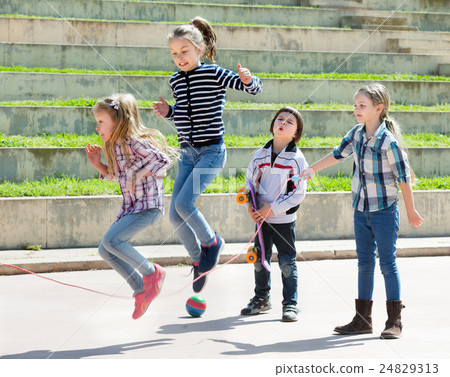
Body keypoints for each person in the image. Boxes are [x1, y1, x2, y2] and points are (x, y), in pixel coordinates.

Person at [299, 83, 423, 338]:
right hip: (361, 209)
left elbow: (404, 179)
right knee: (364, 263)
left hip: (385, 210)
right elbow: (337, 154)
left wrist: (410, 211)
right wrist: (312, 169)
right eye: (355, 105)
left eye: (362, 105)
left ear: (379, 109)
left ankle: (394, 321)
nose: (356, 109)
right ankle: (362, 319)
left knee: (387, 263)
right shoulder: (356, 134)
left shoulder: (389, 142)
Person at [153, 16, 263, 292]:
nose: (179, 58)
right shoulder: (176, 80)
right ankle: (199, 263)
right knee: (175, 215)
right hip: (188, 154)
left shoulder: (214, 73)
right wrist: (170, 113)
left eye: (184, 52)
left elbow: (251, 88)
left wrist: (249, 79)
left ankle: (212, 243)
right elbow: (184, 115)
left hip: (212, 151)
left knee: (184, 204)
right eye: (174, 53)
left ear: (199, 49)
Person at [85, 93, 177, 320]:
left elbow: (162, 160)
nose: (97, 128)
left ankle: (151, 273)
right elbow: (118, 176)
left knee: (111, 241)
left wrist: (138, 175)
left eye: (101, 122)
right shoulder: (116, 146)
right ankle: (141, 290)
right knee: (105, 249)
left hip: (148, 207)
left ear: (118, 121)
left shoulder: (132, 141)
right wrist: (100, 166)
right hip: (132, 208)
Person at [239, 107, 308, 322]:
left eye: (289, 122)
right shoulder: (259, 155)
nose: (283, 123)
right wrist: (250, 205)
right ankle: (261, 299)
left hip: (284, 221)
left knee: (287, 262)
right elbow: (249, 185)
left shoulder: (296, 159)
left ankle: (291, 304)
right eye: (280, 119)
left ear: (296, 133)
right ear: (272, 126)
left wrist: (272, 208)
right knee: (259, 260)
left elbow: (298, 194)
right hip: (261, 220)